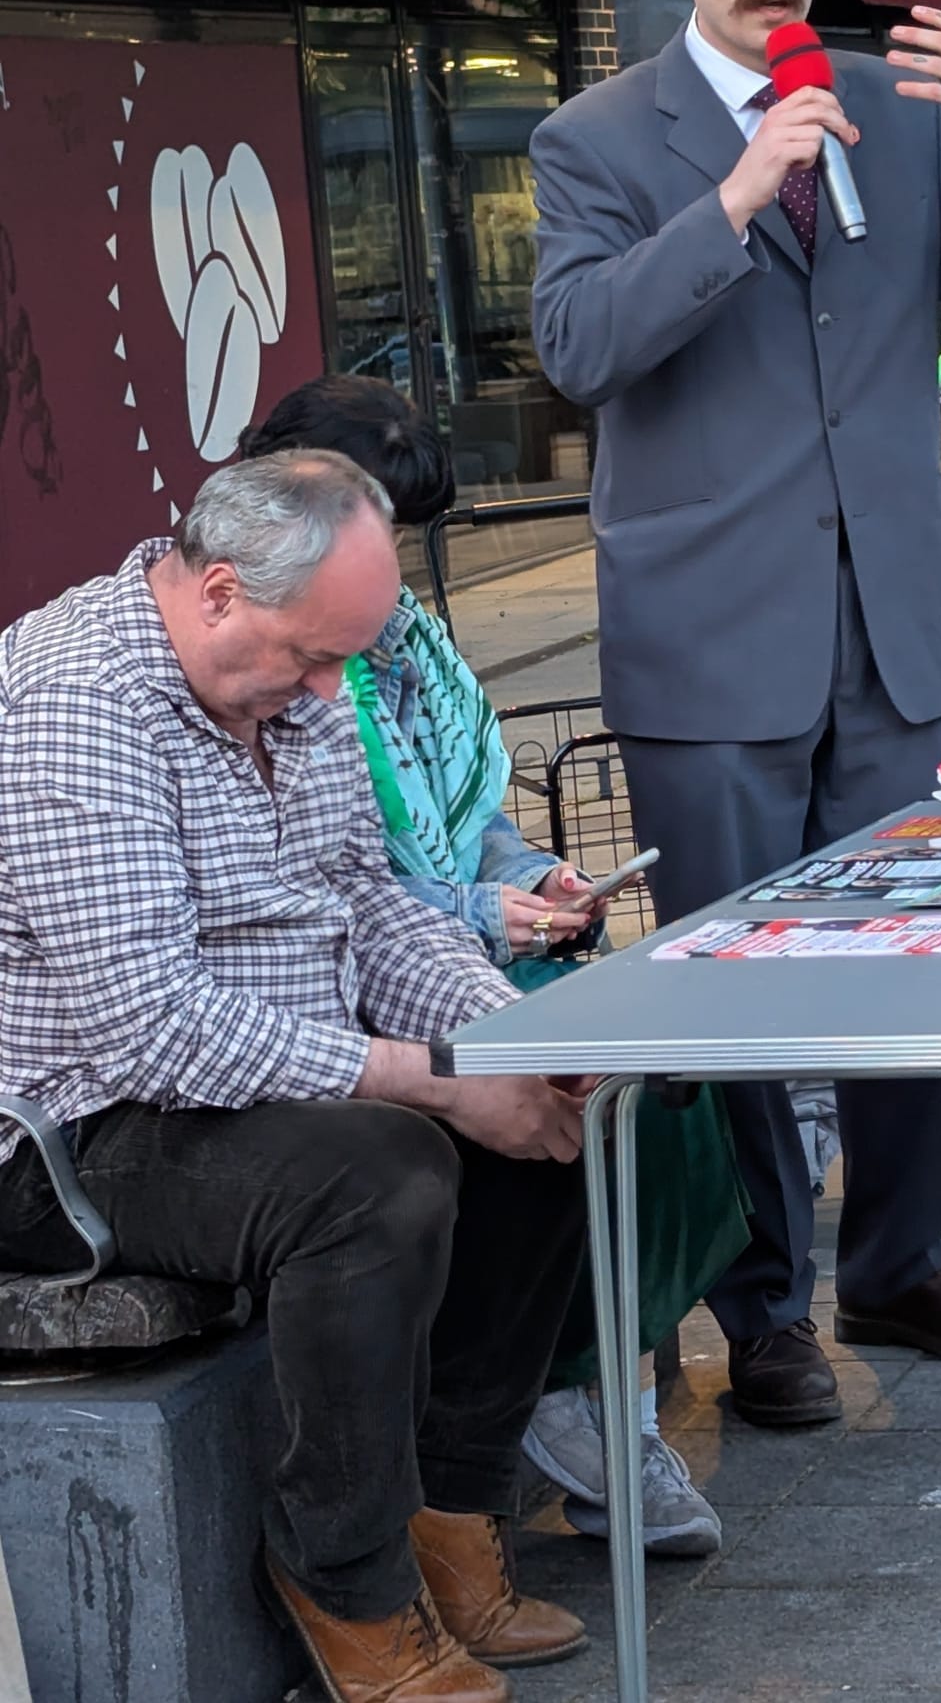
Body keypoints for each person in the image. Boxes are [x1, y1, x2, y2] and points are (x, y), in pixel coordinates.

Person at [530, 0, 941, 1428]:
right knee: (740, 988)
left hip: (895, 627)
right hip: (714, 640)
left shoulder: (899, 115)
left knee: (922, 958)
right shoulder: (596, 136)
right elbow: (577, 344)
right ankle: (763, 1307)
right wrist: (735, 194)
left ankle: (902, 1264)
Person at [0, 453, 595, 1703]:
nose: (334, 693)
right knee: (381, 1168)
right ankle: (346, 1576)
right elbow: (151, 1028)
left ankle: (450, 1509)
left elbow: (366, 905)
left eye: (347, 660)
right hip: (67, 1130)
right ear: (218, 592)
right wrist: (433, 1081)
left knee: (545, 1121)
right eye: (315, 659)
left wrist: (502, 1041)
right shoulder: (73, 700)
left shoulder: (292, 681)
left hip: (249, 1081)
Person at [238, 374, 748, 1558]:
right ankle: (570, 1398)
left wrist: (538, 876)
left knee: (646, 1066)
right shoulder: (283, 652)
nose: (403, 565)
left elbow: (465, 818)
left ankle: (619, 1374)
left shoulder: (400, 636)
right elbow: (324, 882)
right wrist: (479, 915)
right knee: (568, 1082)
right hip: (349, 990)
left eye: (408, 534)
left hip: (449, 944)